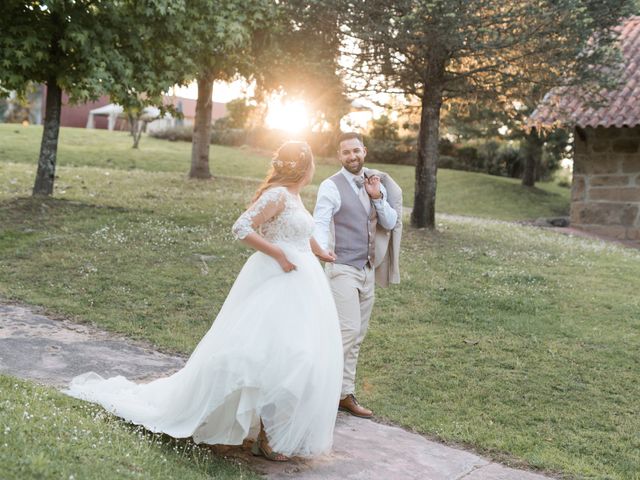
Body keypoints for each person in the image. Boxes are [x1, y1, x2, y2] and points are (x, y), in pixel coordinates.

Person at [65, 141, 343, 462]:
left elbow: (297, 230)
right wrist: (277, 252)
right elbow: (241, 228)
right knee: (263, 355)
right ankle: (257, 434)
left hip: (301, 286)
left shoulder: (292, 196)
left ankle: (270, 433)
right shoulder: (277, 194)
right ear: (305, 168)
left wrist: (318, 249)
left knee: (294, 356)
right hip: (274, 280)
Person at [313, 132, 401, 419]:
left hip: (366, 270)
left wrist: (377, 198)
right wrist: (322, 249)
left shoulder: (376, 184)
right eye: (346, 153)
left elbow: (389, 222)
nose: (352, 156)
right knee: (346, 332)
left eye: (356, 151)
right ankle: (317, 390)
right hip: (341, 268)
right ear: (340, 156)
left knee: (358, 335)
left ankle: (343, 393)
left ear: (364, 151)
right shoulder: (331, 186)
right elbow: (321, 221)